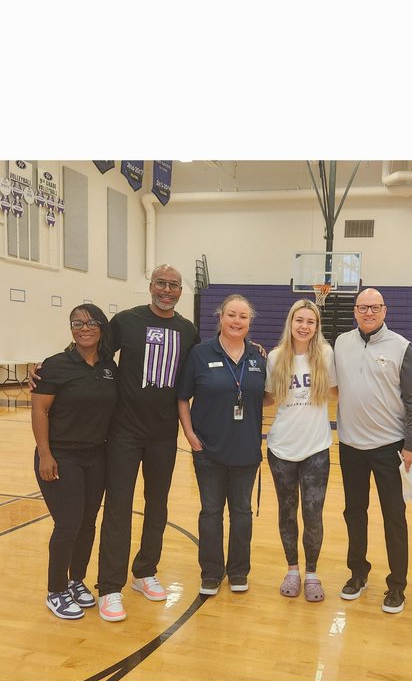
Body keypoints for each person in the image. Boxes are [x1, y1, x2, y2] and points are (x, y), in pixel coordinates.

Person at [96, 265, 199, 621]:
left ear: (180, 291)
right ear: (151, 286)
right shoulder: (126, 320)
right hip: (123, 432)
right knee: (118, 507)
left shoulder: (188, 330)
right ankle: (109, 587)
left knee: (157, 505)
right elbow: (93, 355)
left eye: (173, 285)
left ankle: (145, 571)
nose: (166, 290)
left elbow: (202, 368)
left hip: (163, 434)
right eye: (161, 283)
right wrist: (48, 371)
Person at [333, 287, 412, 614]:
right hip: (350, 447)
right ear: (355, 311)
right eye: (362, 307)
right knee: (354, 513)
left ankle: (397, 585)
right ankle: (358, 573)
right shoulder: (342, 343)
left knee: (394, 518)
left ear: (385, 310)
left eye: (374, 307)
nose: (368, 313)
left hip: (390, 448)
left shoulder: (401, 347)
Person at [31, 303, 118, 620]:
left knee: (87, 523)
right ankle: (55, 591)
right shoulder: (55, 365)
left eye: (91, 321)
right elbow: (39, 410)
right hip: (60, 455)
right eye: (77, 322)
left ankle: (75, 580)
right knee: (68, 523)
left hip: (96, 456)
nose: (84, 327)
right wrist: (45, 453)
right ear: (71, 328)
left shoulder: (109, 367)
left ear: (101, 327)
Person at [178, 295, 266, 595]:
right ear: (220, 317)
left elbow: (265, 396)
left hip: (246, 451)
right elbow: (182, 397)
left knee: (242, 513)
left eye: (243, 316)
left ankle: (239, 572)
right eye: (231, 315)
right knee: (211, 511)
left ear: (249, 321)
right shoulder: (200, 353)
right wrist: (189, 433)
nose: (237, 321)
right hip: (208, 450)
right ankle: (212, 572)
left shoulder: (257, 356)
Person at [265, 300, 337, 601]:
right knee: (287, 512)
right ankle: (292, 569)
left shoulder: (325, 355)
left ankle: (312, 574)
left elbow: (338, 390)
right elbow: (268, 398)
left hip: (316, 449)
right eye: (299, 320)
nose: (304, 326)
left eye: (310, 321)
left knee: (313, 513)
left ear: (316, 326)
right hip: (281, 448)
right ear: (290, 323)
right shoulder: (276, 357)